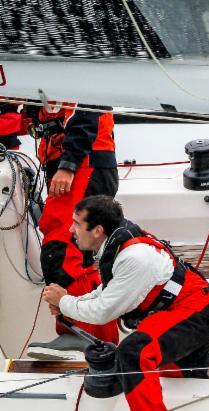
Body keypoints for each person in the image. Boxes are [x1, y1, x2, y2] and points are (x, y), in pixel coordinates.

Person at [43, 195, 209, 411]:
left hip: (193, 311)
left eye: (77, 224)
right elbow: (108, 292)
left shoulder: (133, 257)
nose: (71, 230)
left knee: (135, 353)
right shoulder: (117, 245)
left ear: (97, 230)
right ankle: (205, 406)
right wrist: (69, 304)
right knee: (182, 377)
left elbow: (104, 311)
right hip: (182, 308)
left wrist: (64, 302)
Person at [25, 103, 121, 358]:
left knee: (63, 250)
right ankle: (98, 340)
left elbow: (87, 103)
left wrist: (68, 165)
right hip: (82, 161)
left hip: (83, 162)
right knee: (80, 256)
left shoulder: (72, 66)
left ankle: (80, 336)